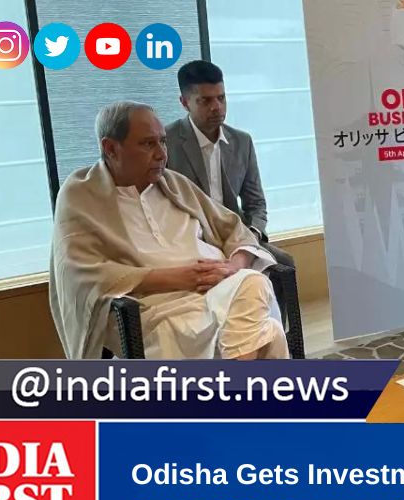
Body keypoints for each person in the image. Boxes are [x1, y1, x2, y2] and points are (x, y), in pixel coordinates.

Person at [49, 101, 289, 360]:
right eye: (148, 144)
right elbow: (80, 271)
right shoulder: (81, 194)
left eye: (162, 142)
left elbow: (235, 229)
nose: (162, 154)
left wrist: (233, 267)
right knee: (269, 330)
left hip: (219, 291)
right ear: (111, 148)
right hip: (156, 308)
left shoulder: (174, 183)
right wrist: (180, 278)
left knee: (252, 286)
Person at [164, 60, 295, 269]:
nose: (216, 107)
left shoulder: (242, 142)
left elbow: (256, 204)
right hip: (190, 240)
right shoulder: (165, 142)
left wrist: (251, 236)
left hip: (237, 237)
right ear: (185, 102)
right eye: (205, 101)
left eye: (221, 98)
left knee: (285, 262)